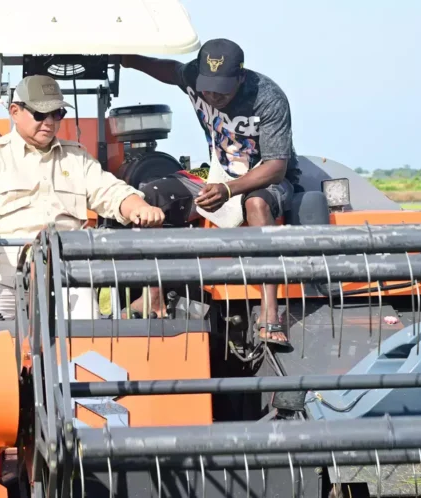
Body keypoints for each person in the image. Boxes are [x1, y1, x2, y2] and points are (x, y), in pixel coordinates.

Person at [121, 38, 301, 346]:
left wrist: (229, 190)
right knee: (151, 195)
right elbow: (169, 70)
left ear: (240, 78)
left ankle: (270, 313)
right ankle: (154, 295)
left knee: (257, 204)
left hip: (262, 178)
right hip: (218, 171)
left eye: (222, 90)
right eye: (207, 89)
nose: (213, 96)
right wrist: (128, 58)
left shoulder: (268, 98)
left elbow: (276, 166)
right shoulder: (192, 77)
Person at [0, 74, 165, 320]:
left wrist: (137, 207)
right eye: (40, 114)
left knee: (89, 340)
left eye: (57, 114)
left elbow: (110, 191)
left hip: (67, 278)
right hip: (3, 278)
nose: (49, 122)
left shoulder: (76, 158)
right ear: (14, 111)